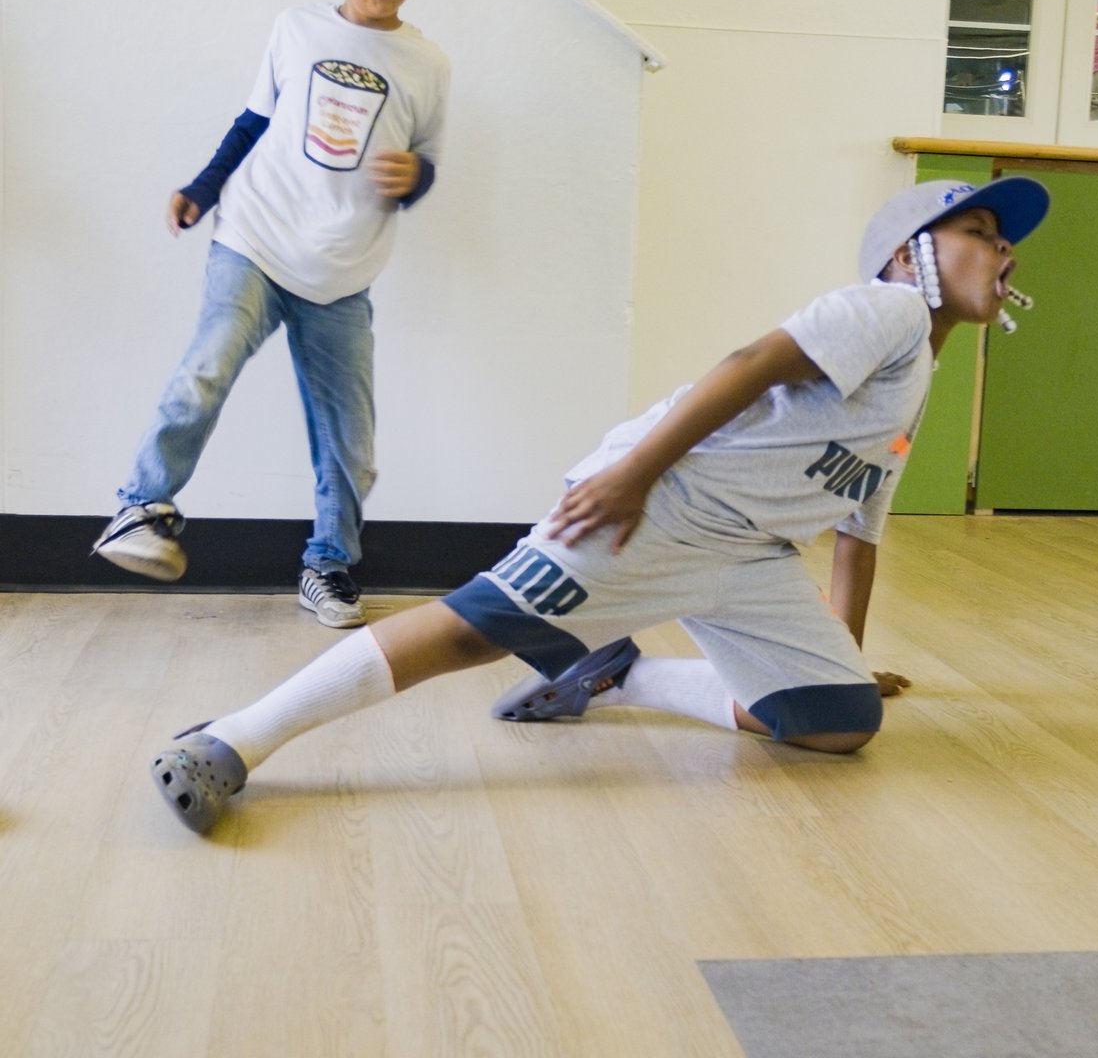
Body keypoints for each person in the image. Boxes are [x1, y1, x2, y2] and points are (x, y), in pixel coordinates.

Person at [149, 176, 1051, 835]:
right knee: (474, 630)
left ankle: (620, 677)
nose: (1002, 250)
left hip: (750, 559)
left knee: (843, 722)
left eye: (1006, 242)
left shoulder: (915, 384)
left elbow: (859, 533)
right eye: (976, 230)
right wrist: (634, 474)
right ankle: (231, 742)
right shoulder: (885, 310)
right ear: (909, 255)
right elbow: (746, 368)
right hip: (660, 498)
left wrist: (840, 660)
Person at [91, 0, 450, 629]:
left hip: (343, 273)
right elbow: (253, 120)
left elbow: (427, 163)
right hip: (252, 239)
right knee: (207, 366)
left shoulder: (429, 65)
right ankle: (140, 507)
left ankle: (329, 564)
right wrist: (201, 185)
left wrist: (413, 176)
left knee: (351, 442)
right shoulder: (296, 30)